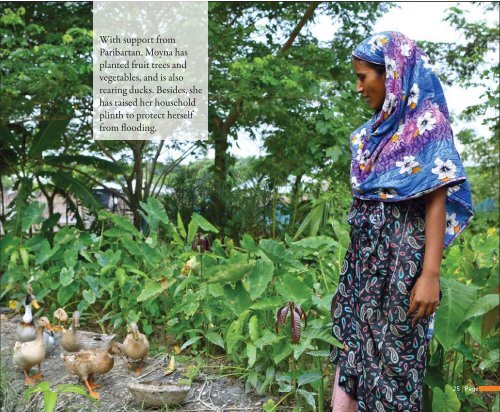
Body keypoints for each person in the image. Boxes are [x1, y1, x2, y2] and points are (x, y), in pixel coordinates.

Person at [329, 32, 473, 412]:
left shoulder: (427, 127)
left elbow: (435, 205)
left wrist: (430, 276)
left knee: (395, 366)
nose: (358, 88)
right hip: (363, 268)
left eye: (364, 77)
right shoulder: (372, 135)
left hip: (401, 270)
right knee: (355, 356)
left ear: (391, 74)